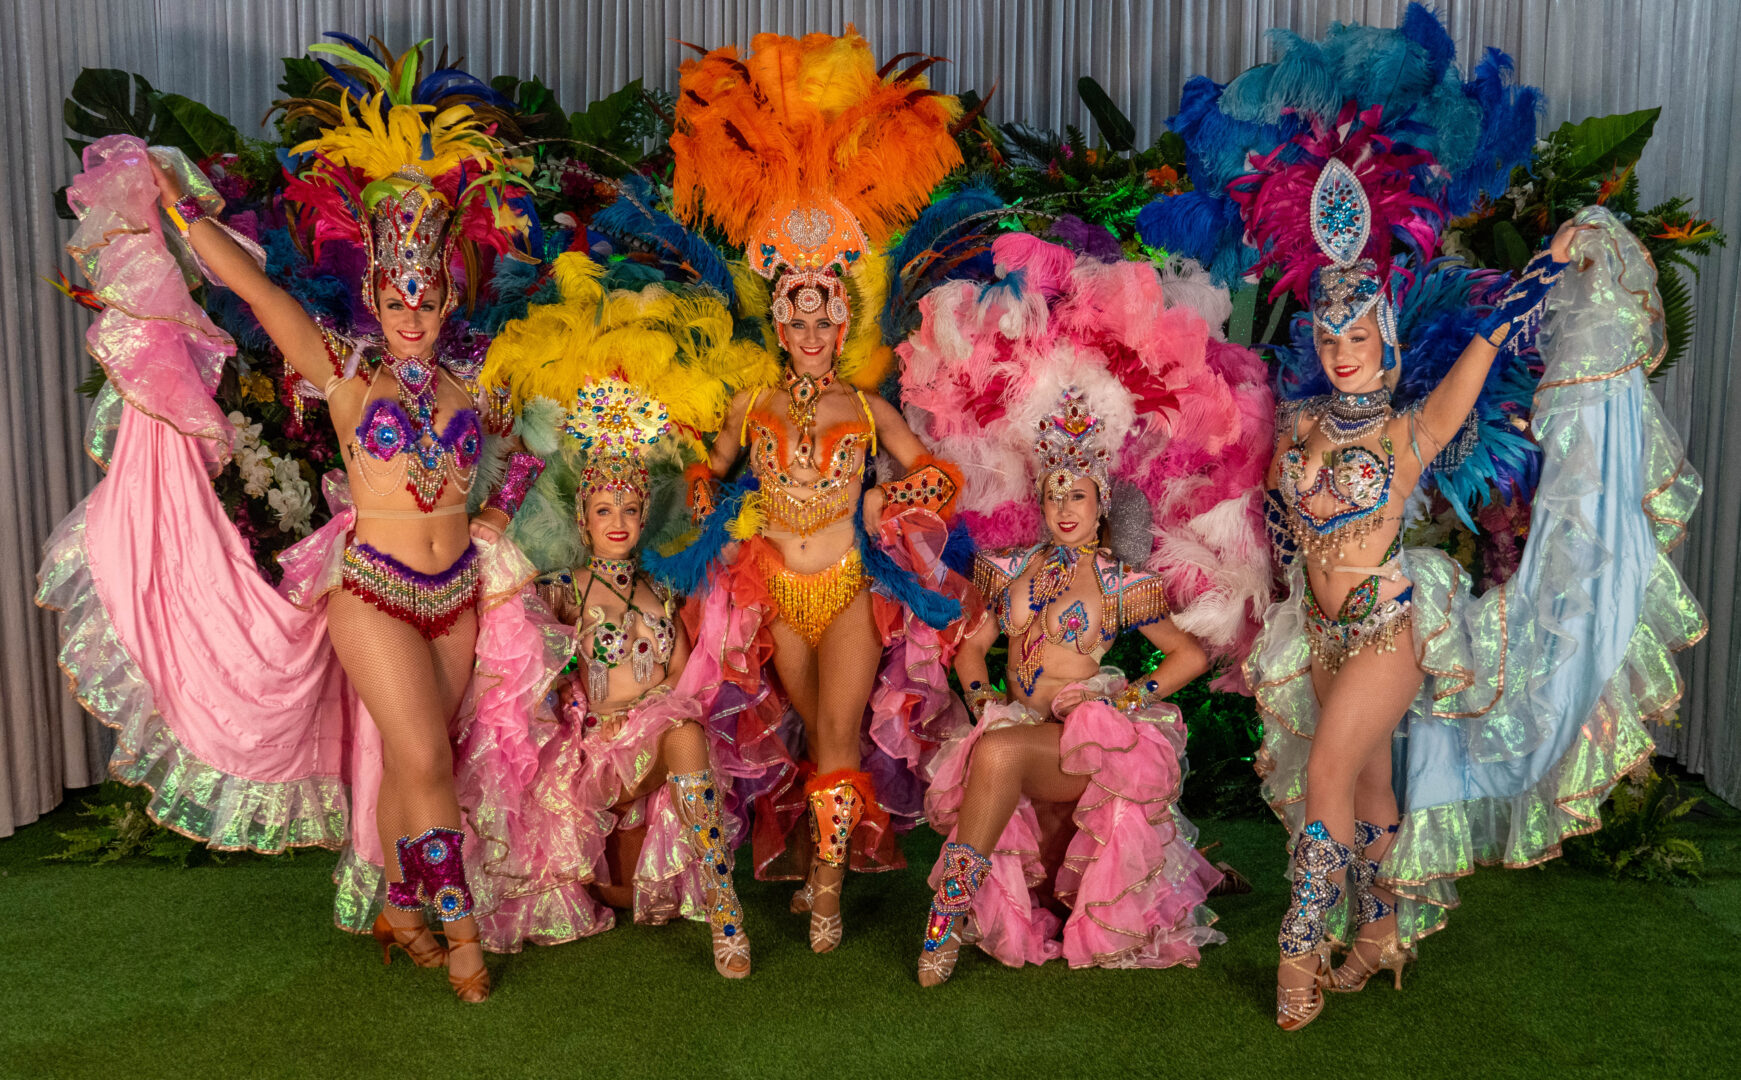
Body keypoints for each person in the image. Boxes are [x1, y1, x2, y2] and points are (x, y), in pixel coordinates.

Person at [56, 51, 550, 1002]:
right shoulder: (345, 372)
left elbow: (528, 446)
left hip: (455, 594)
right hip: (370, 594)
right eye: (396, 296)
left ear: (448, 297)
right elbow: (259, 294)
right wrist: (181, 211)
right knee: (423, 757)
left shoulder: (474, 381)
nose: (411, 312)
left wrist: (500, 503)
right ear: (377, 295)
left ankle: (400, 906)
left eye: (427, 296)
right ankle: (462, 937)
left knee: (421, 760)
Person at [667, 28, 977, 952]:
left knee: (838, 738)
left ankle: (832, 888)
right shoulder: (753, 398)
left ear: (844, 313)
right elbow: (709, 468)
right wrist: (696, 487)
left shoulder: (870, 405)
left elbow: (939, 473)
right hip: (769, 587)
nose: (807, 317)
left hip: (846, 586)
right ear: (778, 311)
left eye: (822, 301)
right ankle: (812, 855)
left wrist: (890, 500)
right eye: (792, 300)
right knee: (807, 734)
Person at [916, 389, 1228, 985]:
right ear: (1037, 499)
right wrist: (984, 701)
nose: (1065, 506)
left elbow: (1188, 654)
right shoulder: (1006, 564)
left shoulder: (1118, 579)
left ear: (1101, 501)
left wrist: (1126, 701)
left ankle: (941, 920)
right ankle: (1188, 872)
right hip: (1018, 724)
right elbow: (974, 647)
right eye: (1053, 493)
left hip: (1081, 741)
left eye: (1078, 494)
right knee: (1000, 745)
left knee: (998, 753)